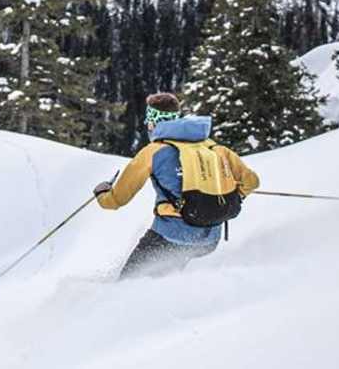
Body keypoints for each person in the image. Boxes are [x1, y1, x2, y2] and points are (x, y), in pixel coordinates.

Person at [94, 92, 260, 279]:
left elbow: (117, 200)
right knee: (167, 278)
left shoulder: (153, 152)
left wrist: (102, 194)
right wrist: (230, 193)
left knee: (127, 284)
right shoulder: (214, 147)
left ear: (153, 123)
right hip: (209, 239)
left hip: (170, 236)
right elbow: (252, 182)